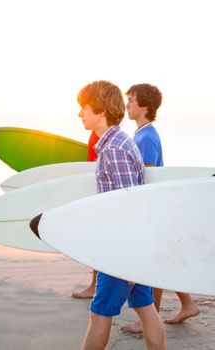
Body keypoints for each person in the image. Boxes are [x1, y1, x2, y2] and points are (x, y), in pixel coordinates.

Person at [77, 80, 166, 350]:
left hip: (121, 250)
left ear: (100, 110)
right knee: (147, 308)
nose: (80, 114)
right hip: (128, 248)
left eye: (84, 108)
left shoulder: (114, 149)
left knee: (99, 312)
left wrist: (128, 259)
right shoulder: (113, 144)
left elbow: (132, 205)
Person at [120, 83, 200, 335]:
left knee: (153, 265)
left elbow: (147, 178)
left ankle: (148, 319)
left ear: (144, 105)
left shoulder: (146, 137)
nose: (127, 105)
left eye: (131, 100)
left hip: (154, 209)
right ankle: (188, 304)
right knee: (164, 261)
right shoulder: (143, 134)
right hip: (157, 208)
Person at [71, 130, 99, 299]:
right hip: (95, 194)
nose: (80, 114)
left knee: (97, 244)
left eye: (85, 108)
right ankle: (186, 303)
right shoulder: (96, 134)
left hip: (97, 195)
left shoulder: (100, 135)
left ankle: (94, 287)